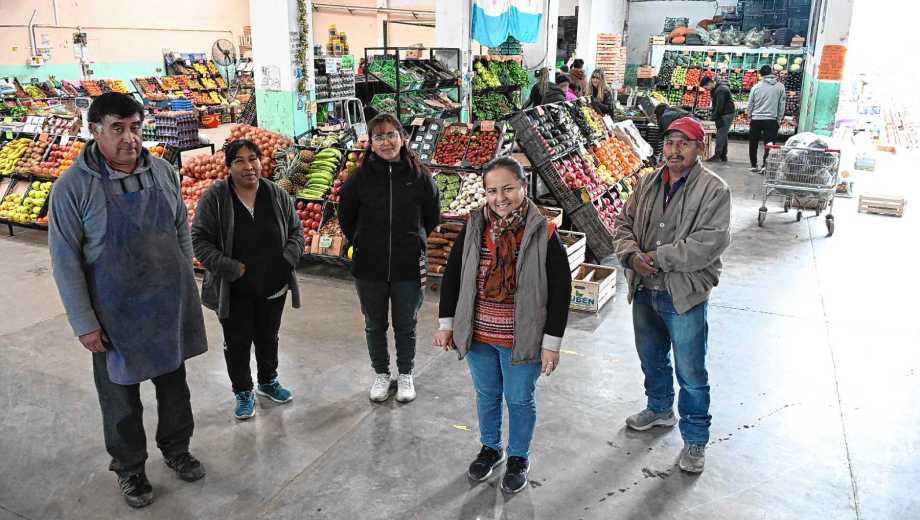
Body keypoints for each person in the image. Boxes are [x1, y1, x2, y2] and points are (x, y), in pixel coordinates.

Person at [48, 93, 208, 508]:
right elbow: (65, 260)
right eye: (117, 128)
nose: (129, 138)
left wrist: (186, 285)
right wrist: (84, 321)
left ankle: (176, 449)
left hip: (166, 304)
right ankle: (130, 469)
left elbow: (180, 232)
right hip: (114, 313)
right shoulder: (73, 188)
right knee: (120, 397)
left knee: (175, 388)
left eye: (135, 127)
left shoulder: (162, 172)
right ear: (95, 130)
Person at [434, 157, 573, 494]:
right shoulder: (474, 226)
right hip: (479, 334)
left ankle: (518, 457)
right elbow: (453, 274)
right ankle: (491, 448)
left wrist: (551, 343)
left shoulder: (543, 230)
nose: (500, 198)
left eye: (508, 188)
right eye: (492, 190)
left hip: (521, 338)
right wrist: (446, 323)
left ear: (524, 187)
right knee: (487, 395)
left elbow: (560, 289)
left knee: (519, 399)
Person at [611, 117, 731, 474]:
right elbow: (623, 224)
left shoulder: (714, 190)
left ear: (699, 149)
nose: (675, 150)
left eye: (685, 143)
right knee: (651, 358)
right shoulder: (647, 182)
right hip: (645, 289)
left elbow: (709, 243)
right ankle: (660, 408)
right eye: (670, 142)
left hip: (684, 294)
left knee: (691, 371)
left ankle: (695, 440)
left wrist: (658, 258)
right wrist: (632, 255)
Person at [191, 140, 304, 420]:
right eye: (239, 161)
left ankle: (268, 380)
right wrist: (229, 268)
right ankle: (243, 390)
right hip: (234, 290)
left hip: (273, 286)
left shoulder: (276, 194)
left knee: (269, 337)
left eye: (252, 159)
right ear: (228, 167)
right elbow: (199, 240)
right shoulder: (216, 197)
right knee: (238, 342)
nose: (248, 166)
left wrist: (286, 259)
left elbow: (296, 232)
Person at [339, 113, 440, 403]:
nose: (386, 142)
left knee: (406, 322)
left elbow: (432, 215)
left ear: (402, 137)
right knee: (374, 323)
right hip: (369, 264)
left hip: (409, 263)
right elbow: (346, 217)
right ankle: (382, 374)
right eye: (379, 137)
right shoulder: (358, 178)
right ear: (370, 143)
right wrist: (361, 240)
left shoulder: (419, 175)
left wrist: (414, 239)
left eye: (391, 135)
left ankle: (405, 374)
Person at [747, 65, 787, 172]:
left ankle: (753, 165)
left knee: (753, 142)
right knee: (769, 144)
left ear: (761, 75)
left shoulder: (756, 87)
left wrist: (749, 116)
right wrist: (779, 118)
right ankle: (765, 165)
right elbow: (782, 105)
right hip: (771, 120)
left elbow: (750, 103)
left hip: (756, 119)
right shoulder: (780, 87)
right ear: (772, 73)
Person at [700, 76, 735, 162]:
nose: (706, 90)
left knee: (720, 134)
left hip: (726, 114)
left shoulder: (721, 90)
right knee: (723, 134)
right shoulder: (716, 89)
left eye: (706, 88)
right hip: (724, 113)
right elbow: (716, 105)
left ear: (710, 83)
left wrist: (713, 118)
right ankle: (723, 155)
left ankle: (717, 155)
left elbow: (720, 106)